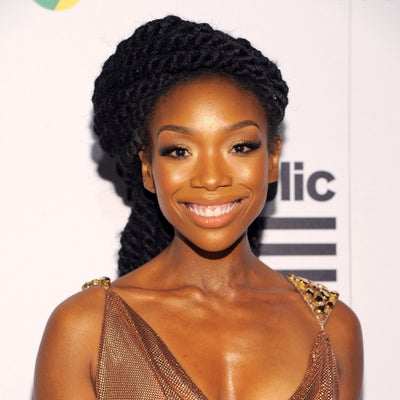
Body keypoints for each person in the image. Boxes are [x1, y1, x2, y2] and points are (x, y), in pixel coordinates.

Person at [34, 15, 363, 400]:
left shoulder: (334, 328)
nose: (211, 178)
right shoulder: (85, 330)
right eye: (179, 151)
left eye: (239, 147)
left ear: (273, 159)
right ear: (148, 169)